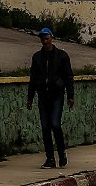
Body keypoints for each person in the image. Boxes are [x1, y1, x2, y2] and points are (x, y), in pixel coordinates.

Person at [27, 27, 74, 169]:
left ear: (52, 38)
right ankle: (50, 159)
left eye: (47, 38)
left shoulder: (62, 56)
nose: (44, 41)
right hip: (43, 96)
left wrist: (70, 95)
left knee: (55, 124)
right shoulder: (37, 57)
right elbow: (33, 78)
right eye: (42, 39)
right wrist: (30, 98)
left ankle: (61, 153)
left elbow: (68, 76)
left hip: (57, 95)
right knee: (45, 127)